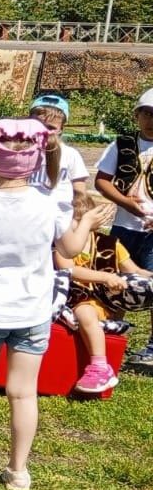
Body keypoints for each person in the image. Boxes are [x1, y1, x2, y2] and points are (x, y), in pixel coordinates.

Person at [0, 121, 115, 490]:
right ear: (36, 161)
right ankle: (18, 471)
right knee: (23, 392)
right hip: (33, 312)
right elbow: (69, 250)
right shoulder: (51, 204)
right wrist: (88, 222)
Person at [58, 192, 152, 395]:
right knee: (85, 311)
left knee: (92, 310)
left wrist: (149, 277)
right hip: (72, 299)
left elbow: (134, 271)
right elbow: (70, 270)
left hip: (105, 303)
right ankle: (100, 365)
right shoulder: (60, 245)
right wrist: (104, 277)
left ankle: (103, 359)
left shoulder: (110, 244)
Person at [93, 87, 153, 369]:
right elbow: (102, 180)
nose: (151, 120)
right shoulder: (122, 144)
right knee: (113, 280)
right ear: (137, 116)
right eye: (147, 114)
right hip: (123, 226)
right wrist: (124, 203)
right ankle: (109, 331)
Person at [28, 93, 88, 210]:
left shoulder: (70, 154)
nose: (43, 131)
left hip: (59, 216)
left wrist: (78, 215)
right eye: (38, 125)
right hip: (28, 214)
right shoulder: (21, 152)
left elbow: (79, 190)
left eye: (51, 128)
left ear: (61, 129)